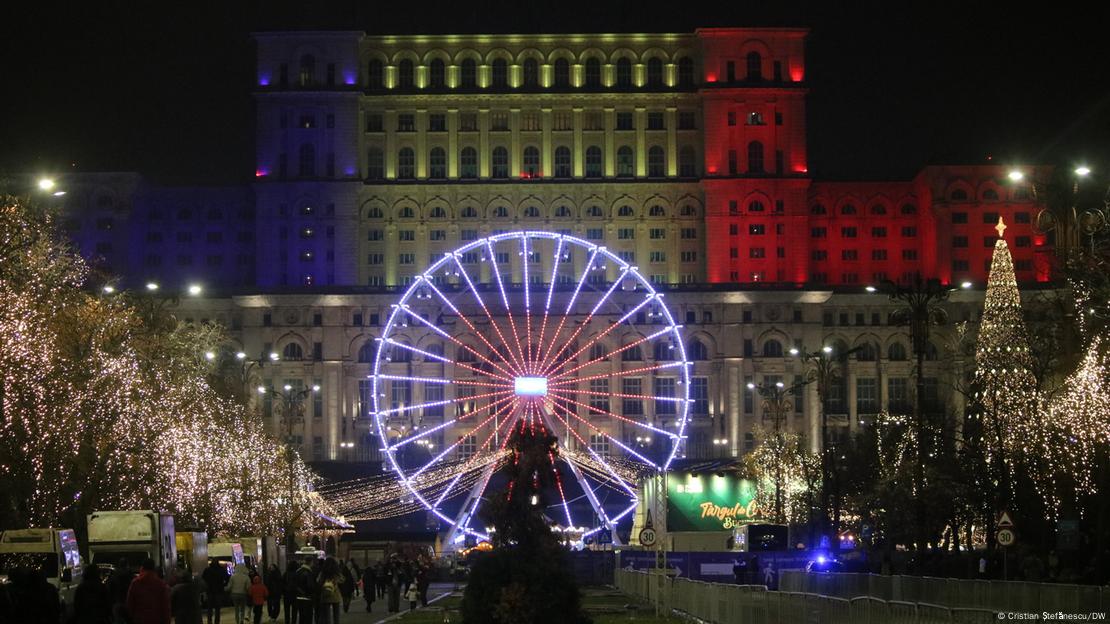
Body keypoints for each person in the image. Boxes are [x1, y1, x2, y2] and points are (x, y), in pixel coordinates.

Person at [125, 558, 170, 624]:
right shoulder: (161, 584)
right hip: (156, 619)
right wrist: (167, 621)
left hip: (139, 619)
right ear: (154, 569)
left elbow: (130, 603)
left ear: (142, 568)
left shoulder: (135, 583)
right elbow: (165, 606)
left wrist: (131, 618)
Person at [316, 558, 343, 624]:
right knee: (336, 616)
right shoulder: (336, 572)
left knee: (327, 616)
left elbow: (318, 581)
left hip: (325, 595)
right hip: (335, 595)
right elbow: (342, 580)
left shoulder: (323, 572)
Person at [109, 558, 135, 624]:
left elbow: (110, 590)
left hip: (117, 601)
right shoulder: (131, 575)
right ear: (127, 565)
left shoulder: (114, 575)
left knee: (118, 621)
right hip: (129, 602)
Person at [293, 558, 317, 624]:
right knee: (308, 617)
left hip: (299, 597)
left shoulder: (298, 571)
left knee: (302, 616)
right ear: (310, 562)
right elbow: (310, 586)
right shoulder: (308, 572)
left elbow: (295, 583)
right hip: (307, 597)